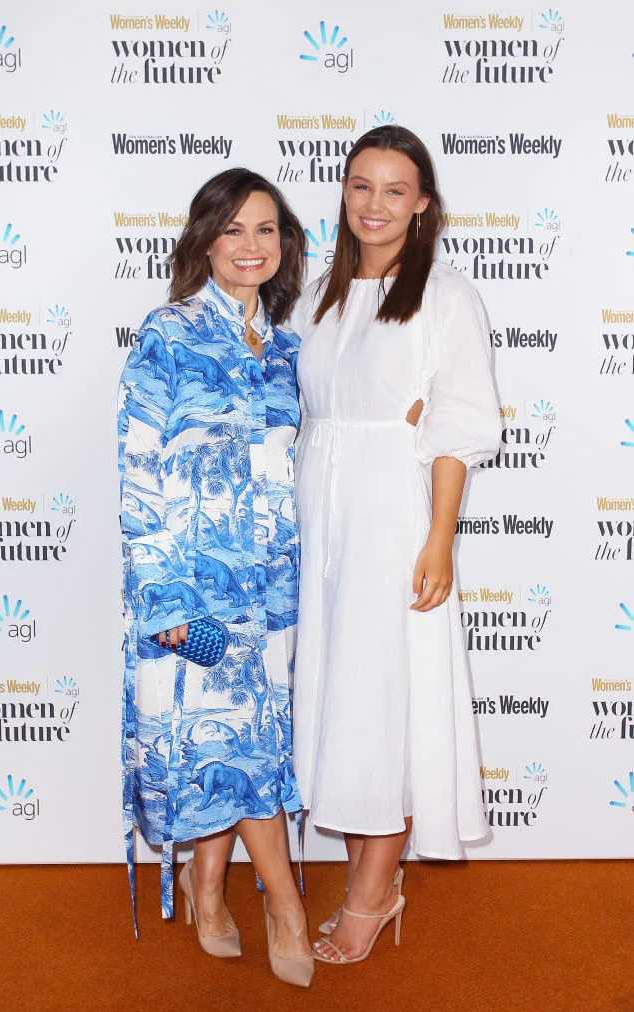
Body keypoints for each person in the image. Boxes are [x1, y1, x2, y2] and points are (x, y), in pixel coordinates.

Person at [290, 126, 501, 965]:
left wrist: (439, 538)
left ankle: (371, 897)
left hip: (393, 516)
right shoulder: (317, 293)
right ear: (342, 193)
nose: (372, 204)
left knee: (386, 701)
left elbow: (458, 423)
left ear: (421, 203)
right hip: (320, 514)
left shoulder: (444, 296)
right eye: (357, 186)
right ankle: (370, 885)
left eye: (392, 189)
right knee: (345, 702)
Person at [118, 168, 313, 987]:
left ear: (285, 244)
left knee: (244, 739)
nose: (249, 246)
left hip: (271, 588)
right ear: (203, 240)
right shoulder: (167, 332)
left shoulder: (287, 346)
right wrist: (161, 599)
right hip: (191, 584)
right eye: (231, 229)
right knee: (231, 743)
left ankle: (206, 887)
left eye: (265, 229)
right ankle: (286, 904)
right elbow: (136, 468)